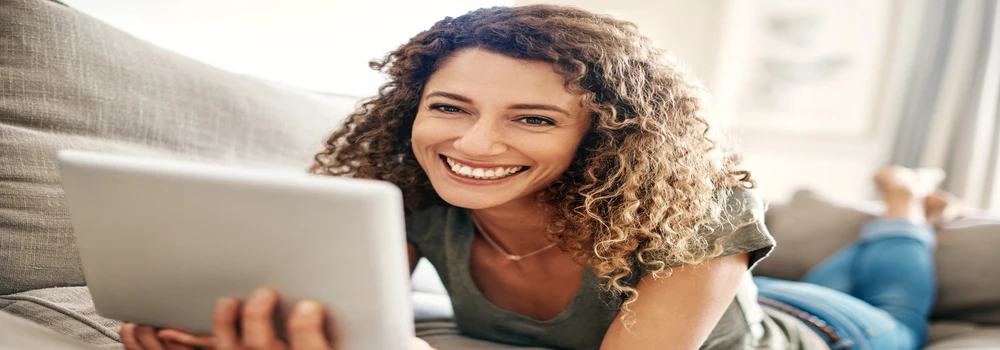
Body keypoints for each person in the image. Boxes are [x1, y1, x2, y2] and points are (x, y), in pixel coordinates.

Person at [118, 5, 957, 350]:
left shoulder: (698, 209)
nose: (474, 143)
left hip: (821, 331)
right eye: (449, 106)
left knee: (894, 304)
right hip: (744, 303)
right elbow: (353, 325)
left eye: (533, 118)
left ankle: (905, 207)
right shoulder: (402, 196)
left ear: (605, 132)